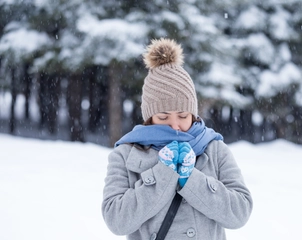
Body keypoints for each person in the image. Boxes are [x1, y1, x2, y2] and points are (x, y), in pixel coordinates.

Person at [102, 38, 253, 240]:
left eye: (182, 116)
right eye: (163, 117)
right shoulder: (125, 154)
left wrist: (191, 179)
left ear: (193, 113)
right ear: (149, 118)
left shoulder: (214, 148)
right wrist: (162, 174)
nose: (174, 125)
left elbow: (240, 213)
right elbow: (116, 220)